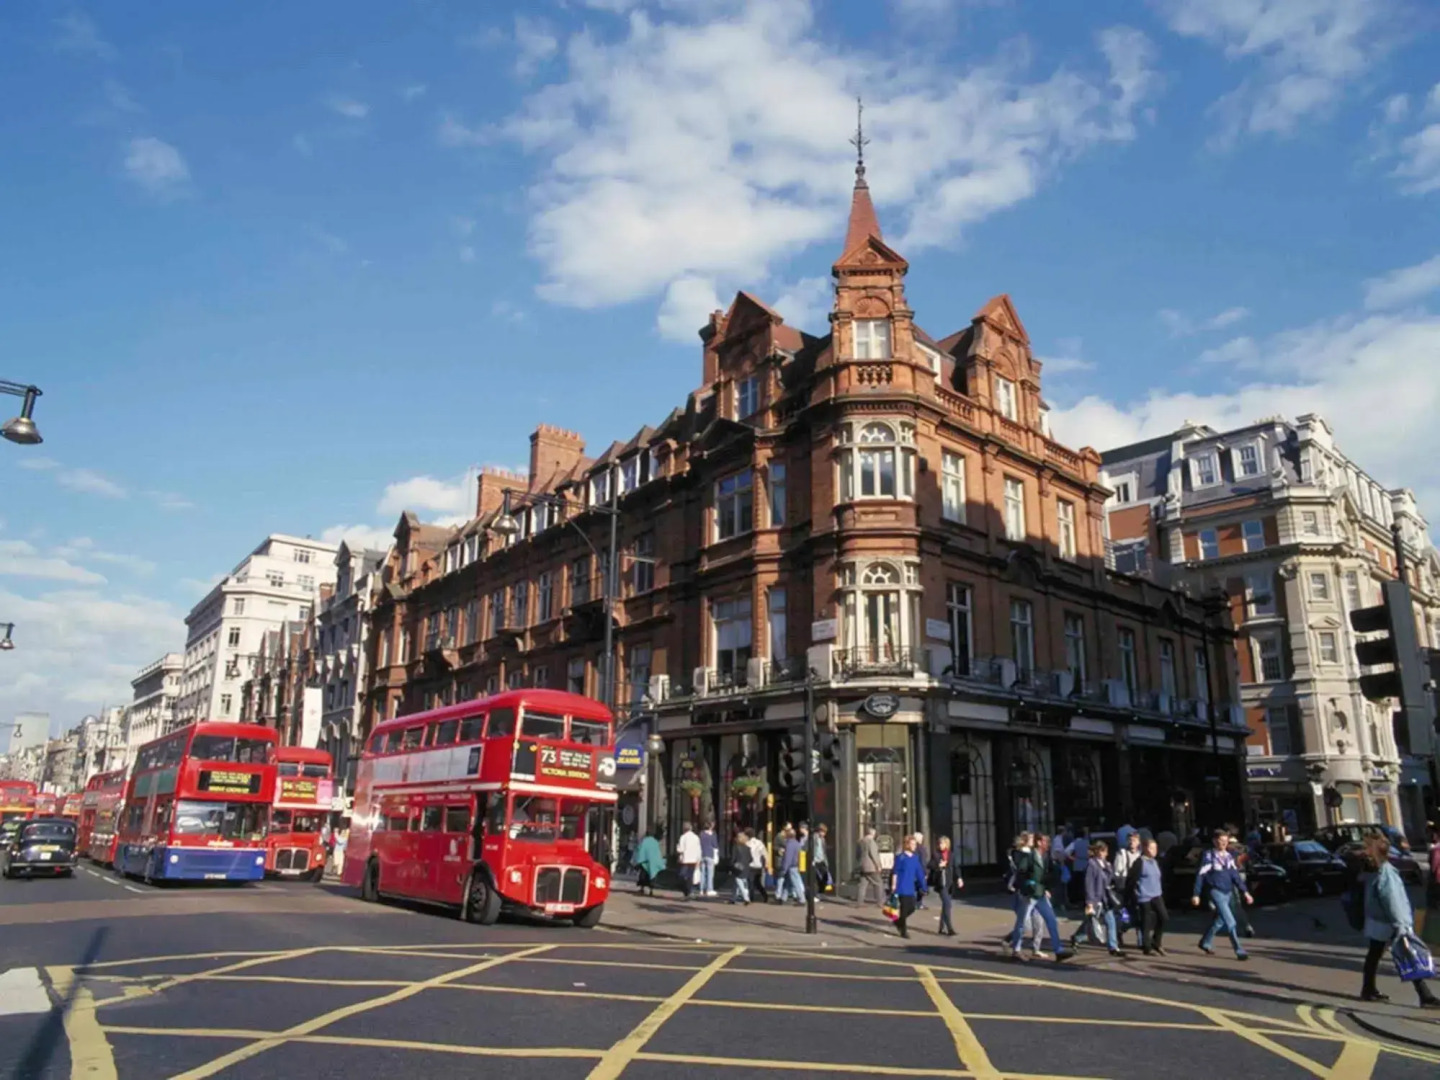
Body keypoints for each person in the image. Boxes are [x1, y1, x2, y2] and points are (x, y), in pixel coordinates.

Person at [1359, 833, 1439, 1006]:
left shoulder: (1374, 871)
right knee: (1408, 955)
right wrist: (1401, 924)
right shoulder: (1386, 873)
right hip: (1390, 922)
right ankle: (1425, 996)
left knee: (1375, 956)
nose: (1363, 851)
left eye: (1365, 848)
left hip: (1379, 922)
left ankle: (1368, 989)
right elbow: (1393, 900)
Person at [1005, 834, 1074, 962]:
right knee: (1022, 922)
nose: (1048, 843)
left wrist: (1049, 885)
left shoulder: (1046, 857)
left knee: (1051, 920)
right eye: (1045, 841)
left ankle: (1058, 950)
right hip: (1029, 895)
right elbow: (1021, 873)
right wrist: (1028, 884)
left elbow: (1048, 874)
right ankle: (1016, 949)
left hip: (1040, 893)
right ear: (1039, 843)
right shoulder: (1029, 856)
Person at [1193, 830, 1252, 960]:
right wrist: (1196, 894)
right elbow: (1201, 875)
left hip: (1228, 892)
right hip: (1216, 891)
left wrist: (1245, 892)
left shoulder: (1229, 856)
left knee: (1220, 920)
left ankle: (1205, 942)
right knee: (1231, 922)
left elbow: (1235, 876)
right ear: (1214, 841)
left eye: (1226, 841)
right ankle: (1239, 950)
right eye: (1221, 841)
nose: (1224, 843)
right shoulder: (1209, 856)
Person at [1073, 840, 1125, 957]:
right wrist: (1090, 902)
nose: (1102, 854)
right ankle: (1076, 938)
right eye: (1100, 851)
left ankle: (1113, 947)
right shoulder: (1091, 864)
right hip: (1096, 899)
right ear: (1095, 852)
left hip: (1106, 899)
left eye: (1104, 851)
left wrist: (1110, 870)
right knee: (1090, 922)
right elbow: (1089, 884)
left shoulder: (1107, 864)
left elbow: (1110, 880)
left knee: (1111, 922)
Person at [1128, 837, 1168, 955]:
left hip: (1156, 894)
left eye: (1155, 848)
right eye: (1151, 848)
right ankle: (1147, 947)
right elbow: (1131, 880)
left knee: (1164, 917)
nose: (1154, 851)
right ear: (1144, 848)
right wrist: (1130, 897)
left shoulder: (1155, 861)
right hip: (1144, 896)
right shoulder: (1139, 862)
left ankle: (1156, 942)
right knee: (1146, 921)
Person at [891, 835, 928, 939]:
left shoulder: (915, 858)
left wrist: (924, 886)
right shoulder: (901, 857)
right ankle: (904, 931)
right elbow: (895, 872)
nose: (914, 846)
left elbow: (919, 873)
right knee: (904, 908)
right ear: (907, 845)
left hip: (910, 887)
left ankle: (898, 922)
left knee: (911, 908)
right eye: (912, 844)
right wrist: (893, 885)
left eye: (915, 844)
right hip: (901, 886)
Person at [1111, 830, 1143, 947]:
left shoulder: (1141, 854)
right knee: (1127, 915)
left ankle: (1141, 941)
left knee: (1140, 913)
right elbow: (1117, 871)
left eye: (1134, 840)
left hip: (1138, 888)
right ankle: (1120, 930)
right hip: (1125, 889)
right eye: (1130, 840)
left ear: (1138, 842)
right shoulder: (1122, 853)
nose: (1131, 843)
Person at [929, 835, 963, 936]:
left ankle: (941, 928)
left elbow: (955, 867)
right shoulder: (935, 855)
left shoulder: (951, 855)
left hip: (949, 883)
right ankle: (950, 929)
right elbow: (929, 865)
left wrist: (959, 878)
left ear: (947, 844)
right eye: (939, 843)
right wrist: (938, 866)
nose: (940, 845)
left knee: (945, 906)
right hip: (941, 883)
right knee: (948, 904)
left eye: (942, 843)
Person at [776, 828, 804, 905]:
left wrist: (784, 868)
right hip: (794, 865)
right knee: (787, 883)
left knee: (795, 883)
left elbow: (788, 858)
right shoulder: (796, 843)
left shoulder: (789, 844)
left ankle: (802, 899)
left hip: (791, 866)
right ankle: (783, 898)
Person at [857, 827, 884, 906]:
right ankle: (879, 902)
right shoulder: (871, 842)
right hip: (871, 866)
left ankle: (859, 902)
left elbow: (857, 854)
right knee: (879, 883)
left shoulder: (860, 842)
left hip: (862, 866)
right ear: (873, 834)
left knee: (863, 884)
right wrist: (878, 865)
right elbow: (873, 854)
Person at [635, 827, 664, 897]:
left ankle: (642, 888)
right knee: (652, 876)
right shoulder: (655, 842)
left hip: (645, 862)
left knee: (643, 875)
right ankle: (651, 889)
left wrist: (638, 860)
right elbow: (658, 852)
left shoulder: (644, 841)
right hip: (653, 862)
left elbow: (640, 850)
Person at [676, 822, 702, 900]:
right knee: (690, 877)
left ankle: (687, 892)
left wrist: (677, 847)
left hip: (685, 859)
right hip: (693, 860)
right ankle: (690, 892)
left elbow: (680, 849)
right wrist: (698, 860)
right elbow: (699, 850)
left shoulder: (683, 837)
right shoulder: (696, 837)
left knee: (682, 876)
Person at [730, 830, 753, 905]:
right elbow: (751, 859)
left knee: (739, 882)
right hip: (746, 867)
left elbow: (733, 858)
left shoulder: (736, 847)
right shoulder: (748, 848)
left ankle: (746, 898)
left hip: (738, 867)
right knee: (740, 883)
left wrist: (731, 866)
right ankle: (733, 898)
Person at [747, 830, 770, 902]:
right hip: (758, 865)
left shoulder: (747, 843)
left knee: (750, 882)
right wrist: (766, 863)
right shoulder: (760, 843)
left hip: (750, 865)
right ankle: (765, 895)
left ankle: (751, 898)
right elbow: (765, 854)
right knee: (757, 883)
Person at [699, 823, 719, 898]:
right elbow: (715, 845)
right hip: (710, 854)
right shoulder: (713, 835)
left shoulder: (701, 834)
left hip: (702, 854)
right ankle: (709, 889)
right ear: (710, 827)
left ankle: (701, 889)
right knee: (710, 873)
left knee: (702, 873)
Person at [913, 833, 931, 909]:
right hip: (920, 870)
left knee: (914, 887)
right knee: (920, 887)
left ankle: (915, 903)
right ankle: (918, 903)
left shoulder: (912, 848)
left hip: (913, 870)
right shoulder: (921, 848)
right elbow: (923, 861)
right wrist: (925, 872)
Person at [814, 824, 832, 895]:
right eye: (823, 832)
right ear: (819, 831)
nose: (824, 834)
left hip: (821, 860)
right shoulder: (814, 838)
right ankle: (816, 894)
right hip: (815, 860)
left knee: (825, 876)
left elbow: (824, 851)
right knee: (816, 878)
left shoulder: (823, 840)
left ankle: (820, 892)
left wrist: (826, 862)